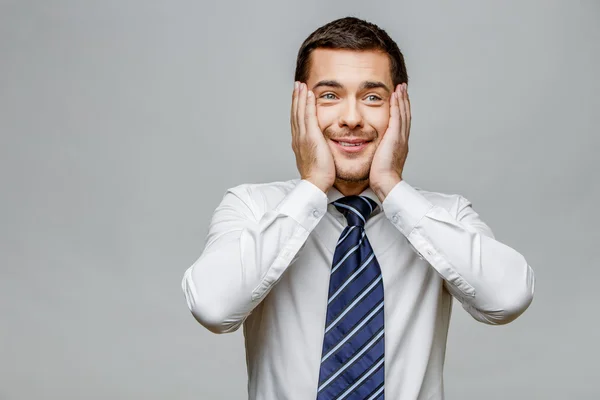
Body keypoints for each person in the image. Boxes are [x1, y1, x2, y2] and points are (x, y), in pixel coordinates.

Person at [181, 16, 535, 400]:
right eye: (329, 96)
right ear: (300, 108)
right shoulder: (253, 207)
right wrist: (312, 187)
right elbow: (213, 308)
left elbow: (508, 299)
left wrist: (392, 189)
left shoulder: (443, 216)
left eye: (372, 97)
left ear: (399, 109)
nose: (351, 118)